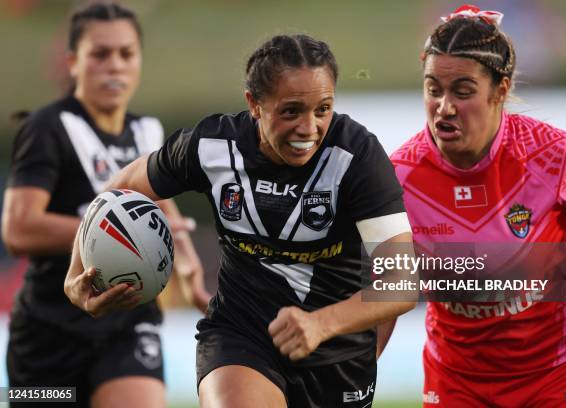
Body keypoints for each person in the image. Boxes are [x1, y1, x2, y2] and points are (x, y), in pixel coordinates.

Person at [64, 33, 418, 408]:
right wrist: (76, 273)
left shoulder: (357, 156)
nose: (309, 128)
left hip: (338, 353)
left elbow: (401, 280)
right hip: (240, 335)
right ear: (254, 104)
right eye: (291, 111)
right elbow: (117, 192)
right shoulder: (212, 146)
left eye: (323, 109)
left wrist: (321, 325)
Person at [391, 4, 566, 407]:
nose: (444, 107)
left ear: (501, 90)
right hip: (458, 382)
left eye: (463, 91)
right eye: (433, 89)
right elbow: (384, 296)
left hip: (559, 371)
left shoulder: (556, 154)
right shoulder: (397, 180)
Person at [1, 3, 209, 407]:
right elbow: (17, 229)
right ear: (73, 62)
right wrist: (110, 233)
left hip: (129, 324)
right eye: (100, 54)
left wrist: (189, 270)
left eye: (126, 54)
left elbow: (163, 215)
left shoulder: (147, 130)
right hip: (46, 335)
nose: (115, 66)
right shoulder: (47, 128)